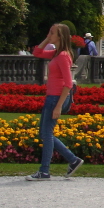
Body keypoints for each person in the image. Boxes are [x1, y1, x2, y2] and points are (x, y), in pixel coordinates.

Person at [27, 24, 84, 180]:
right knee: (45, 134)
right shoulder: (56, 54)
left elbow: (68, 83)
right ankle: (73, 160)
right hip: (52, 97)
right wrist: (47, 38)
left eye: (52, 33)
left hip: (55, 98)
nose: (49, 35)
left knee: (46, 134)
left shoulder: (63, 56)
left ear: (60, 37)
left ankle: (44, 171)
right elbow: (37, 52)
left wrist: (58, 106)